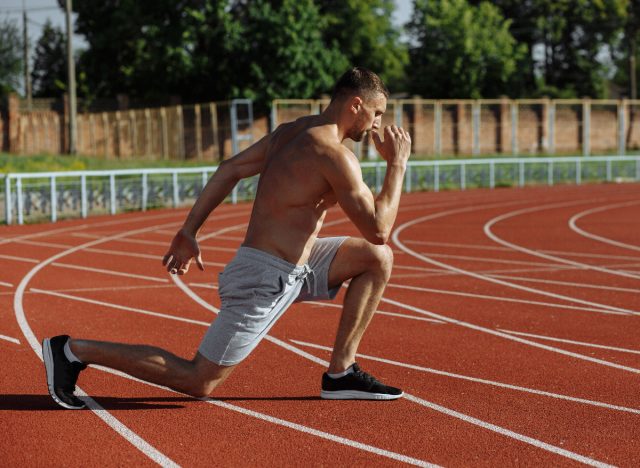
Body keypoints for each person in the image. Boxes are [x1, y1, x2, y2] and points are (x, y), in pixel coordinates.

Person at [42, 67, 412, 410]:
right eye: (377, 113)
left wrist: (190, 230)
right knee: (198, 380)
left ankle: (341, 374)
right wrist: (396, 165)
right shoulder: (335, 155)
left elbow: (229, 168)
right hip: (265, 277)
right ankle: (72, 350)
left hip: (298, 264)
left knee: (376, 257)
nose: (379, 123)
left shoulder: (291, 131)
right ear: (356, 104)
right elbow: (378, 226)